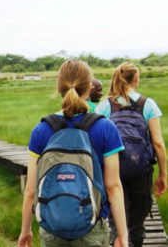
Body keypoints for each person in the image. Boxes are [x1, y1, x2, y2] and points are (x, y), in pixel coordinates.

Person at [17, 59, 128, 247]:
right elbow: (113, 187)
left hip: (52, 229)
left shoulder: (41, 130)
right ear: (90, 87)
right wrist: (123, 235)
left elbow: (30, 191)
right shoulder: (105, 128)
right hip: (91, 228)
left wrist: (25, 230)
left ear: (59, 86)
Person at [95, 62, 167, 247]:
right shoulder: (147, 104)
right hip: (141, 170)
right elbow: (158, 143)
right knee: (137, 222)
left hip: (113, 171)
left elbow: (97, 143)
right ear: (136, 78)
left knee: (116, 222)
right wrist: (163, 175)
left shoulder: (104, 106)